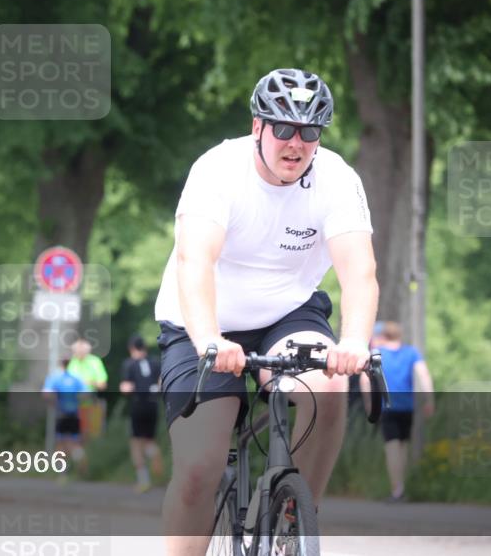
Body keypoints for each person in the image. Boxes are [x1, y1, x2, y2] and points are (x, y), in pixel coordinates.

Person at [153, 69, 378, 555]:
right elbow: (195, 262)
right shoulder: (217, 170)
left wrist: (354, 341)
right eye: (283, 129)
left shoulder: (336, 178)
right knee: (199, 468)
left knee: (330, 387)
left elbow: (360, 273)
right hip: (203, 321)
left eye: (309, 132)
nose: (296, 143)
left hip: (287, 313)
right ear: (258, 127)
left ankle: (294, 520)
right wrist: (209, 340)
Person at [368, 320, 434, 502]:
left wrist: (369, 402)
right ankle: (401, 485)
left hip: (387, 406)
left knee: (392, 448)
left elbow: (367, 380)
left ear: (384, 335)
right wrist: (429, 399)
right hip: (407, 407)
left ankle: (397, 490)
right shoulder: (411, 352)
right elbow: (423, 374)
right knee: (403, 447)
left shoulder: (377, 353)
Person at [119, 334, 164, 493]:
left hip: (138, 405)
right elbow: (161, 383)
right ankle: (154, 453)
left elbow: (126, 388)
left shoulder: (129, 364)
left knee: (136, 443)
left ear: (131, 348)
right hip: (153, 405)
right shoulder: (155, 362)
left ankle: (143, 481)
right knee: (149, 440)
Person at [42, 358, 90, 479]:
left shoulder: (55, 377)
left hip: (61, 414)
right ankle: (79, 457)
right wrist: (77, 401)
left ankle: (62, 473)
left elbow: (46, 394)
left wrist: (54, 403)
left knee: (60, 444)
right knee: (74, 443)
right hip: (74, 414)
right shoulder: (76, 377)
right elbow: (86, 393)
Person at [67, 338, 107, 440]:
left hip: (91, 403)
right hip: (72, 404)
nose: (79, 354)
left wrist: (89, 382)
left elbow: (103, 385)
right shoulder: (71, 362)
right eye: (77, 352)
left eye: (82, 352)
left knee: (91, 435)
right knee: (72, 436)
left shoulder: (95, 362)